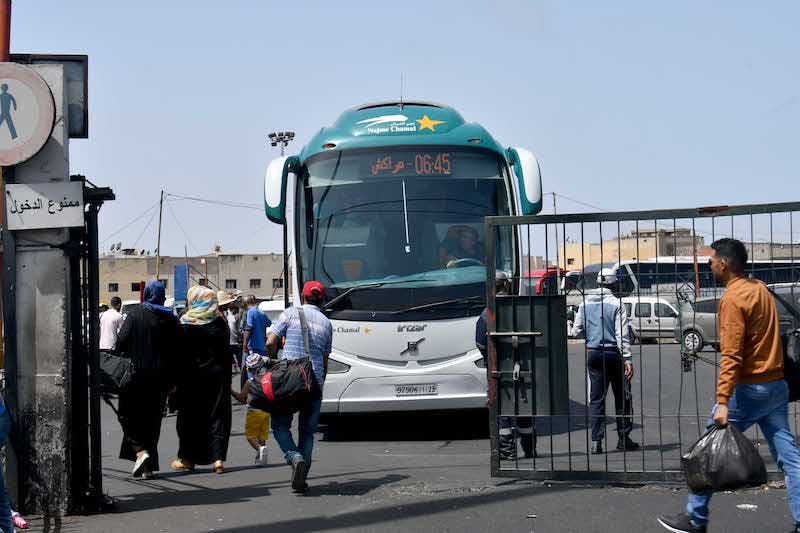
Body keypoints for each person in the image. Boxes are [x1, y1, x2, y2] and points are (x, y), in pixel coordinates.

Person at [658, 239, 800, 533]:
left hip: (748, 391)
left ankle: (695, 518)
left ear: (724, 264)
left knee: (706, 452)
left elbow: (732, 354)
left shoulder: (733, 300)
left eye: (711, 261)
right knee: (790, 460)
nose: (709, 265)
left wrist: (723, 399)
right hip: (776, 386)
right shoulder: (760, 289)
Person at [266, 281, 332, 493]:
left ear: (303, 297)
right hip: (315, 382)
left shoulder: (290, 313)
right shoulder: (326, 323)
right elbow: (324, 360)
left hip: (290, 380)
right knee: (307, 432)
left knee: (279, 425)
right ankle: (302, 478)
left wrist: (273, 362)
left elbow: (270, 342)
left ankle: (294, 457)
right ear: (321, 300)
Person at [115, 281, 182, 479]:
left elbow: (121, 341)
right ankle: (148, 467)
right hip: (161, 379)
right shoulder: (171, 318)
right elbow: (178, 351)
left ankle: (140, 451)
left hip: (135, 376)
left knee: (126, 416)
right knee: (152, 423)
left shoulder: (136, 314)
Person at [571, 268, 639, 454]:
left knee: (596, 399)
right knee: (622, 397)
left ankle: (596, 441)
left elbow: (575, 331)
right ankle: (623, 438)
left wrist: (592, 334)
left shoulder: (584, 304)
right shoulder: (617, 303)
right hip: (613, 354)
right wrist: (628, 359)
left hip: (594, 353)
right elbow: (621, 335)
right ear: (613, 284)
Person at [475, 271, 536, 460]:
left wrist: (490, 357)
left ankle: (507, 453)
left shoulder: (487, 313)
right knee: (524, 408)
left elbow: (480, 343)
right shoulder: (521, 308)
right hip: (523, 365)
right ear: (507, 285)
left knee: (501, 411)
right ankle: (529, 449)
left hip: (497, 368)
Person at [172, 286, 232, 474]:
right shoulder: (219, 323)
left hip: (191, 377)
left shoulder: (184, 323)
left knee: (189, 417)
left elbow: (178, 355)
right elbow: (226, 352)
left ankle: (188, 460)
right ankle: (218, 459)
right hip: (217, 375)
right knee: (218, 415)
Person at [231, 352, 270, 466]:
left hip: (254, 411)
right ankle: (261, 458)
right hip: (266, 412)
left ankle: (260, 450)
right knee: (262, 436)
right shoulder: (267, 379)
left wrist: (231, 391)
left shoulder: (249, 382)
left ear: (248, 368)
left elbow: (241, 397)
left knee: (250, 436)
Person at [243, 294, 271, 366]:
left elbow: (249, 327)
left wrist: (245, 344)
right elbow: (269, 323)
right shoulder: (261, 312)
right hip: (262, 346)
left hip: (253, 346)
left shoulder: (251, 312)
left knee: (252, 369)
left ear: (245, 304)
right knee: (261, 369)